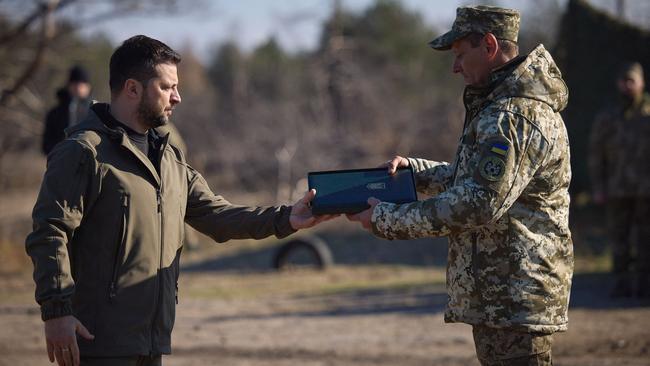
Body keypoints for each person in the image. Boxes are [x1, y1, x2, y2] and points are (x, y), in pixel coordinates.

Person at [25, 35, 333, 366]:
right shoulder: (84, 152)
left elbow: (217, 215)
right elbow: (50, 230)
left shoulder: (169, 157)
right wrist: (56, 312)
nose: (178, 97)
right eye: (167, 87)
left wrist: (287, 218)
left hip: (153, 340)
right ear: (132, 89)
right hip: (98, 342)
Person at [347, 6, 573, 365]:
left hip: (515, 300)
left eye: (459, 55)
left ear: (489, 45)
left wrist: (387, 219)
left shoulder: (514, 116)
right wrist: (414, 173)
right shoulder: (501, 109)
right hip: (502, 300)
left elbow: (478, 203)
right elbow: (476, 180)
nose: (455, 68)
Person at [588, 62, 650, 298]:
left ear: (642, 83)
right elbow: (596, 154)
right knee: (619, 239)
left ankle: (644, 284)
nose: (628, 85)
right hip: (616, 189)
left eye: (632, 80)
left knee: (645, 239)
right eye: (624, 81)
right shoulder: (608, 116)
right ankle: (621, 284)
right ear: (618, 84)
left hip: (646, 189)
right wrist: (599, 187)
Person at [42, 65, 93, 155]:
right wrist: (61, 153)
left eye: (82, 84)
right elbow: (46, 144)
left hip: (89, 164)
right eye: (75, 83)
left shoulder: (96, 113)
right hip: (61, 163)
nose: (78, 87)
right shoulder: (55, 113)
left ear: (88, 87)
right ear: (69, 85)